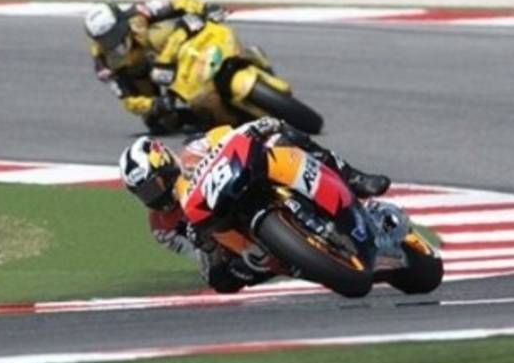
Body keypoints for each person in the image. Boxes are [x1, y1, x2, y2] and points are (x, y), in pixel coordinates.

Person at [118, 117, 391, 293]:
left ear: (164, 163)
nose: (153, 197)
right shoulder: (162, 226)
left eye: (152, 187)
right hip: (230, 235)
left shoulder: (193, 151)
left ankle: (352, 177)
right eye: (144, 194)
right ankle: (292, 258)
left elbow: (228, 136)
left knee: (283, 137)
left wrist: (257, 127)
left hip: (246, 181)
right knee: (220, 281)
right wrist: (208, 248)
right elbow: (197, 257)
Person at [83, 0, 217, 133]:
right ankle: (194, 117)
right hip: (141, 74)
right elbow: (127, 100)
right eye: (105, 39)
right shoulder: (102, 63)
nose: (114, 41)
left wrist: (200, 10)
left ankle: (201, 64)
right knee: (158, 121)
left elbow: (180, 2)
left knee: (159, 34)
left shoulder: (137, 13)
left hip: (166, 52)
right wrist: (154, 104)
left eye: (114, 33)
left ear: (121, 21)